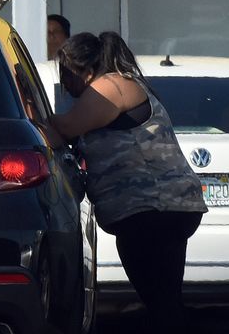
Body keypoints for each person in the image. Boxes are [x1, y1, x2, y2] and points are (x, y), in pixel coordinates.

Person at [50, 32, 207, 331]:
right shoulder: (113, 86)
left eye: (67, 75)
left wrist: (29, 112)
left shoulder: (110, 86)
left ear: (87, 70)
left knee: (161, 299)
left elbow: (64, 129)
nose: (65, 85)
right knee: (164, 299)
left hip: (154, 209)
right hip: (159, 210)